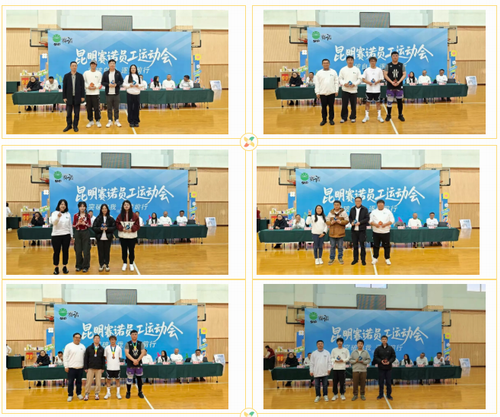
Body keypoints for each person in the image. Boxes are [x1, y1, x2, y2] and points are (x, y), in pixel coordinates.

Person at [116, 200, 140, 271]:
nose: (126, 206)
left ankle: (131, 263)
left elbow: (137, 225)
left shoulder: (134, 215)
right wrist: (122, 228)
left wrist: (132, 229)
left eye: (128, 205)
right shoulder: (120, 215)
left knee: (131, 250)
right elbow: (117, 223)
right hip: (123, 236)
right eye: (125, 205)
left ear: (130, 206)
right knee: (124, 250)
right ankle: (125, 263)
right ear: (123, 206)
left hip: (131, 236)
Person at [50, 199, 72, 275]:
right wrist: (58, 217)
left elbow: (70, 225)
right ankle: (56, 267)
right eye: (61, 204)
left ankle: (64, 266)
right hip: (56, 235)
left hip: (66, 235)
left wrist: (71, 235)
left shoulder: (68, 214)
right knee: (56, 251)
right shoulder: (54, 213)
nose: (63, 206)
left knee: (65, 251)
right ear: (59, 205)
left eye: (64, 204)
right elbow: (53, 223)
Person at [369, 200, 395, 266]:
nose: (380, 205)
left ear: (384, 204)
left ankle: (387, 258)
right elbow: (370, 221)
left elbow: (392, 220)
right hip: (376, 232)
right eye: (379, 204)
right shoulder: (373, 212)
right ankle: (375, 258)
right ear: (377, 205)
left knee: (386, 246)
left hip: (385, 232)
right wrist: (375, 224)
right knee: (376, 245)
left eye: (381, 204)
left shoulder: (388, 211)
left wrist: (386, 224)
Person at [62, 61, 86, 132]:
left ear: (77, 67)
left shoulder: (80, 76)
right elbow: (64, 87)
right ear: (70, 67)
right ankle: (69, 125)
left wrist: (82, 96)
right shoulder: (66, 76)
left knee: (77, 113)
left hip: (77, 97)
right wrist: (64, 97)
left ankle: (75, 126)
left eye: (75, 66)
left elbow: (82, 87)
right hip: (69, 97)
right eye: (73, 66)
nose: (74, 67)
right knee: (68, 113)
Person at [383, 51, 406, 122]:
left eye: (396, 56)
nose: (395, 57)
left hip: (399, 86)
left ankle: (400, 115)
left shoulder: (401, 65)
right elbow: (385, 74)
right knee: (389, 101)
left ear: (398, 57)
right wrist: (391, 82)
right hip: (390, 86)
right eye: (393, 56)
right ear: (391, 57)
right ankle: (388, 115)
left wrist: (399, 82)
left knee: (399, 101)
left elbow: (404, 74)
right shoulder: (388, 65)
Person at [315, 59, 339, 126]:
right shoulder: (319, 73)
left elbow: (336, 82)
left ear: (329, 64)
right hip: (322, 93)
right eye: (324, 63)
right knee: (323, 107)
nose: (326, 64)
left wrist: (336, 90)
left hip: (331, 92)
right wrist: (317, 92)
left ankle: (331, 119)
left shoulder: (333, 72)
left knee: (331, 107)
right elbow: (317, 83)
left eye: (327, 63)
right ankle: (324, 120)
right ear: (322, 64)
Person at [339, 56, 362, 123]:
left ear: (353, 61)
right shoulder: (343, 69)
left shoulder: (356, 69)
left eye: (351, 60)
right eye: (348, 60)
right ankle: (344, 118)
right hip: (345, 90)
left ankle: (353, 117)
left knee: (353, 105)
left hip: (353, 90)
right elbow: (340, 79)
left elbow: (359, 79)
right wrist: (344, 83)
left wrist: (354, 84)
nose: (350, 61)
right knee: (344, 105)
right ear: (346, 61)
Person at [64, 332, 86, 402]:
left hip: (80, 368)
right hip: (71, 368)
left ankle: (79, 393)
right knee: (70, 382)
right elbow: (65, 356)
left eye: (79, 338)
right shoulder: (68, 346)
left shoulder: (83, 346)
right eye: (76, 337)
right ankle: (70, 395)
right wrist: (66, 366)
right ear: (73, 338)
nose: (77, 339)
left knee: (79, 382)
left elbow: (85, 357)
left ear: (80, 339)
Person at [101, 59, 124, 128]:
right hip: (108, 94)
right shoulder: (105, 73)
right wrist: (108, 84)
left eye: (113, 63)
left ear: (115, 65)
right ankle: (110, 120)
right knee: (109, 108)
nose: (112, 65)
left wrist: (116, 84)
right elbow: (102, 82)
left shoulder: (118, 73)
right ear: (108, 65)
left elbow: (121, 81)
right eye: (111, 63)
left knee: (116, 108)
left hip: (116, 93)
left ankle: (117, 120)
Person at [93, 204, 115, 272]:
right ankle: (101, 264)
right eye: (103, 208)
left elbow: (114, 227)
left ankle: (107, 264)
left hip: (108, 238)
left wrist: (107, 228)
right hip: (100, 238)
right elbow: (94, 227)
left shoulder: (110, 218)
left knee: (107, 252)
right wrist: (100, 229)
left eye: (105, 208)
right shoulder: (98, 218)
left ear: (107, 210)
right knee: (100, 252)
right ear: (101, 210)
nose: (104, 210)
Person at [362, 57, 385, 123]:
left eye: (374, 61)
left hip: (377, 90)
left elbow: (381, 78)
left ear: (376, 62)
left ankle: (379, 116)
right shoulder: (366, 70)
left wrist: (376, 82)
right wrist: (369, 82)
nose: (372, 62)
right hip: (369, 90)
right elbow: (363, 79)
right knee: (367, 103)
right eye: (371, 61)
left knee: (378, 103)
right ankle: (366, 116)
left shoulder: (379, 70)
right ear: (369, 62)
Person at [326, 200, 349, 265]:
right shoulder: (330, 212)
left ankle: (340, 258)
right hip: (332, 233)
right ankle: (332, 258)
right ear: (333, 205)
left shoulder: (343, 212)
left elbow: (347, 220)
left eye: (337, 205)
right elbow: (327, 221)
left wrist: (341, 222)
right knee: (332, 246)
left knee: (340, 247)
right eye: (335, 205)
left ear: (340, 205)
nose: (336, 206)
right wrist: (331, 222)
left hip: (340, 233)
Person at [124, 330, 146, 398]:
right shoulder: (128, 343)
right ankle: (128, 392)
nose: (134, 336)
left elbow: (143, 352)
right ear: (130, 335)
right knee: (129, 379)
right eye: (133, 334)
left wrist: (138, 360)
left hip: (138, 364)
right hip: (130, 364)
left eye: (135, 334)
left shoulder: (140, 343)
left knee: (139, 379)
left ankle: (140, 392)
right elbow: (127, 353)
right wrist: (134, 360)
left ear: (137, 335)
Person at [373, 335, 396, 400]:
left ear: (387, 340)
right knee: (381, 382)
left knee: (388, 382)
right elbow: (375, 356)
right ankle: (380, 394)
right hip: (381, 367)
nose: (384, 340)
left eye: (385, 339)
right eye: (383, 339)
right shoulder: (378, 348)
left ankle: (389, 395)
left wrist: (389, 361)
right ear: (381, 340)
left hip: (388, 368)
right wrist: (381, 361)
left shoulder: (390, 348)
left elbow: (393, 356)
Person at [83, 334, 105, 400]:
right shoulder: (89, 348)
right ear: (93, 339)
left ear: (99, 340)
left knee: (98, 382)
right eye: (95, 338)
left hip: (99, 368)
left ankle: (97, 394)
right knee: (88, 382)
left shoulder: (102, 349)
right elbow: (86, 358)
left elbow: (103, 359)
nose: (97, 339)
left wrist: (103, 368)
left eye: (98, 338)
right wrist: (86, 367)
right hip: (90, 368)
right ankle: (86, 394)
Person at [349, 197, 370, 265]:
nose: (357, 202)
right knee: (355, 246)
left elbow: (367, 218)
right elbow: (350, 218)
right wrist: (351, 222)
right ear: (355, 202)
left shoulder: (365, 209)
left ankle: (363, 260)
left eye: (359, 201)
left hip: (362, 230)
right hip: (354, 230)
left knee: (362, 246)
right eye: (356, 201)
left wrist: (360, 223)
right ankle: (355, 259)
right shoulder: (352, 209)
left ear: (361, 201)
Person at [73, 201, 91, 273]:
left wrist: (85, 224)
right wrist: (78, 224)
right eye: (81, 206)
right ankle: (78, 265)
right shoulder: (76, 215)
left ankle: (86, 266)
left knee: (86, 250)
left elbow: (90, 225)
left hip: (85, 232)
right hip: (78, 233)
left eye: (83, 206)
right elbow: (73, 225)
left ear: (85, 207)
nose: (82, 208)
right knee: (78, 250)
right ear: (78, 207)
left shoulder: (88, 215)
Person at [83, 60, 102, 128]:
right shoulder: (86, 73)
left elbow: (100, 82)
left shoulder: (99, 73)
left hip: (96, 93)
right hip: (88, 93)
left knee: (97, 108)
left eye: (94, 64)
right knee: (89, 108)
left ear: (96, 65)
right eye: (92, 64)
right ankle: (90, 120)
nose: (93, 65)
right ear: (90, 65)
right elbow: (83, 81)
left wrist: (95, 87)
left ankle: (97, 120)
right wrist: (87, 86)